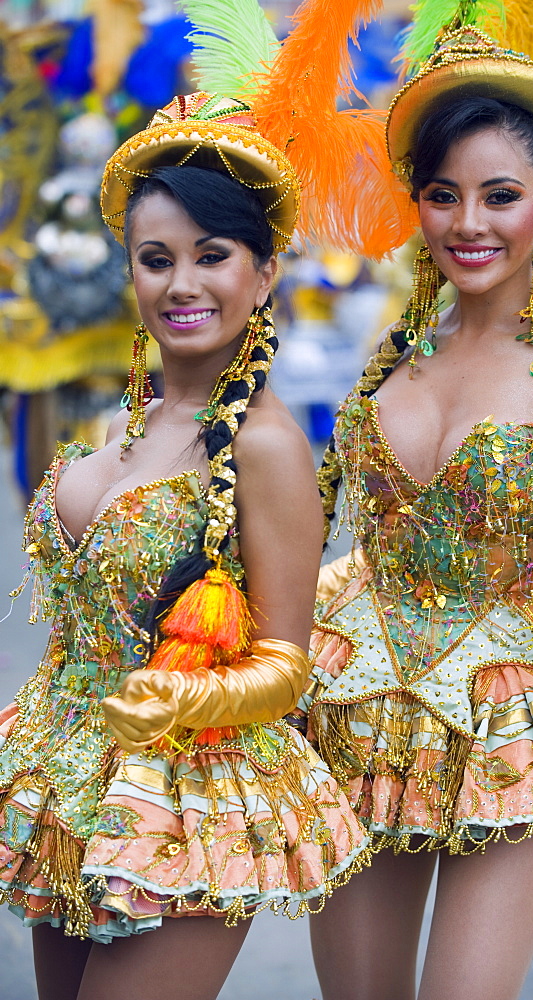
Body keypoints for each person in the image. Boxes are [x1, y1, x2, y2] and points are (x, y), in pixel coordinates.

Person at [301, 17, 533, 1000]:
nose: (469, 222)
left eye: (500, 195)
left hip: (509, 717)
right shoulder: (395, 354)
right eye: (442, 194)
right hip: (362, 714)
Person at [0, 92, 371, 1000]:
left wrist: (176, 696)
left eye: (213, 256)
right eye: (156, 260)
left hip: (188, 798)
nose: (182, 285)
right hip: (71, 771)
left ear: (264, 271)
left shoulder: (265, 447)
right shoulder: (134, 422)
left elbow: (286, 664)